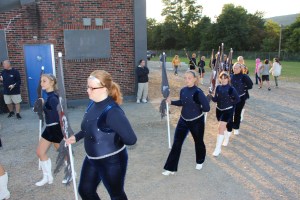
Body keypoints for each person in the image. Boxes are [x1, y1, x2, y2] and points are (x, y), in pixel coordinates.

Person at [65, 70, 137, 200]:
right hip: (92, 159)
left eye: (92, 88)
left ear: (104, 89)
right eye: (87, 86)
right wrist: (77, 137)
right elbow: (88, 127)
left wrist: (113, 138)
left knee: (116, 195)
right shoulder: (92, 103)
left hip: (112, 161)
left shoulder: (113, 112)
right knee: (85, 191)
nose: (88, 90)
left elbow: (131, 139)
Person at [162, 70, 210, 175]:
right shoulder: (183, 90)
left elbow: (207, 108)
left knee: (198, 142)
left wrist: (198, 109)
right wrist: (171, 102)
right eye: (185, 78)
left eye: (189, 78)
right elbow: (182, 102)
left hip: (197, 121)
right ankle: (170, 168)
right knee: (177, 143)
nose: (187, 80)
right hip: (183, 120)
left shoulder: (198, 92)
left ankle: (200, 161)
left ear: (195, 79)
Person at [35, 74, 63, 186]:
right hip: (49, 128)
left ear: (51, 82)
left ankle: (71, 172)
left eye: (44, 81)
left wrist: (44, 107)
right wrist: (40, 107)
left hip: (55, 128)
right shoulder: (49, 96)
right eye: (41, 81)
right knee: (40, 152)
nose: (42, 83)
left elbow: (58, 116)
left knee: (62, 152)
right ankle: (47, 177)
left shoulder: (53, 98)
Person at [208, 72, 240, 156]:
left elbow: (237, 99)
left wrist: (230, 102)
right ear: (219, 79)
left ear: (228, 79)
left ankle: (217, 149)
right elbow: (216, 100)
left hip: (228, 110)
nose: (223, 79)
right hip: (219, 110)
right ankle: (226, 137)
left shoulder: (231, 89)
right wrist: (211, 96)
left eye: (225, 78)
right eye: (221, 78)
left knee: (220, 127)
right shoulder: (218, 87)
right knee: (222, 127)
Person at [231, 62, 253, 137]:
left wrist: (243, 88)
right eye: (234, 68)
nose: (235, 69)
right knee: (230, 113)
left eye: (237, 68)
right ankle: (230, 126)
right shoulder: (230, 76)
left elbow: (250, 85)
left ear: (240, 69)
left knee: (237, 113)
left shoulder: (244, 76)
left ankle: (236, 128)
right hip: (231, 99)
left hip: (240, 98)